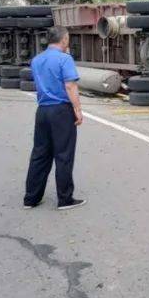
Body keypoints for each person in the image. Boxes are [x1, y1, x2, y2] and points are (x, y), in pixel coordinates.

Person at [23, 26, 86, 210]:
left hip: (42, 110)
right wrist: (78, 109)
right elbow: (70, 86)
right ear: (64, 39)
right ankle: (65, 199)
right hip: (61, 111)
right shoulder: (65, 59)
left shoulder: (37, 60)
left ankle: (31, 198)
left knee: (40, 154)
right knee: (63, 154)